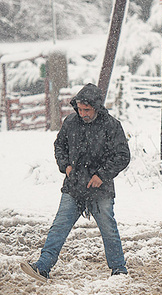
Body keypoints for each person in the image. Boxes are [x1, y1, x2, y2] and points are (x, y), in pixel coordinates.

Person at [20, 83, 131, 282]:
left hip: (100, 188)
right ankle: (42, 267)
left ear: (97, 107)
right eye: (79, 109)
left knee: (108, 229)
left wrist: (101, 175)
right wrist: (66, 166)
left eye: (86, 109)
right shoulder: (70, 122)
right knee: (59, 226)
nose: (82, 113)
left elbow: (122, 155)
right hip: (74, 185)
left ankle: (119, 270)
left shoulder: (111, 126)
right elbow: (59, 146)